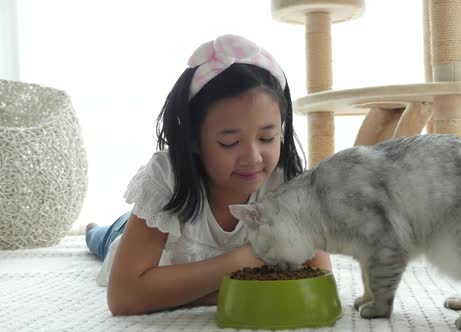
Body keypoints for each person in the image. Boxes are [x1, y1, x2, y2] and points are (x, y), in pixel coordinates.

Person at [85, 34, 332, 315]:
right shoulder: (167, 180)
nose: (252, 157)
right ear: (193, 139)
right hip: (145, 234)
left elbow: (319, 279)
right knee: (104, 237)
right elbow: (124, 298)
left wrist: (195, 292)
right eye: (229, 142)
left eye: (267, 138)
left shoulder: (291, 187)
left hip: (169, 258)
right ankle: (93, 231)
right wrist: (246, 259)